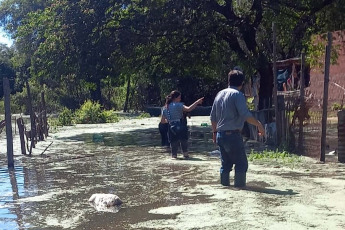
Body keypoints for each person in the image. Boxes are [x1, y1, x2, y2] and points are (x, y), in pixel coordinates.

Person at [210, 70, 265, 187]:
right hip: (233, 135)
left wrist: (214, 133)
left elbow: (213, 117)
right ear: (242, 83)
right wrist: (259, 124)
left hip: (221, 135)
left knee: (225, 165)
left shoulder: (219, 94)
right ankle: (240, 188)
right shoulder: (237, 95)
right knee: (241, 164)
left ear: (228, 81)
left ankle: (224, 188)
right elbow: (245, 115)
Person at [162, 90, 204, 159]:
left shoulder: (165, 108)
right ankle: (186, 156)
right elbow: (189, 109)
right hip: (181, 126)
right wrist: (197, 102)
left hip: (171, 128)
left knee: (173, 150)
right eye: (179, 97)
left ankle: (174, 162)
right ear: (175, 98)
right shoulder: (179, 105)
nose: (180, 99)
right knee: (184, 146)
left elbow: (162, 121)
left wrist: (170, 121)